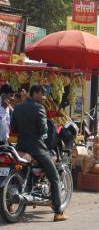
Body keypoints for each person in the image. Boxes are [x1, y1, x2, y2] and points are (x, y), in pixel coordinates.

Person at [11, 85, 68, 222]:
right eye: (42, 94)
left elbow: (13, 128)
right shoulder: (39, 108)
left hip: (20, 147)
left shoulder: (18, 107)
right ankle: (58, 212)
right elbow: (43, 130)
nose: (44, 97)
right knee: (54, 176)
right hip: (36, 148)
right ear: (35, 93)